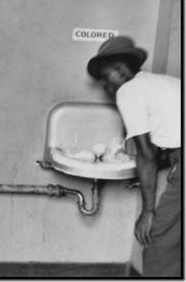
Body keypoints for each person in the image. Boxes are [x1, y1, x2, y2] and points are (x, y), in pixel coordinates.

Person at [87, 36, 182, 277]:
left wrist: (147, 212)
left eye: (106, 79)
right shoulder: (164, 83)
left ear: (120, 70)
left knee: (161, 244)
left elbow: (146, 155)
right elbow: (165, 143)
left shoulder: (128, 91)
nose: (105, 88)